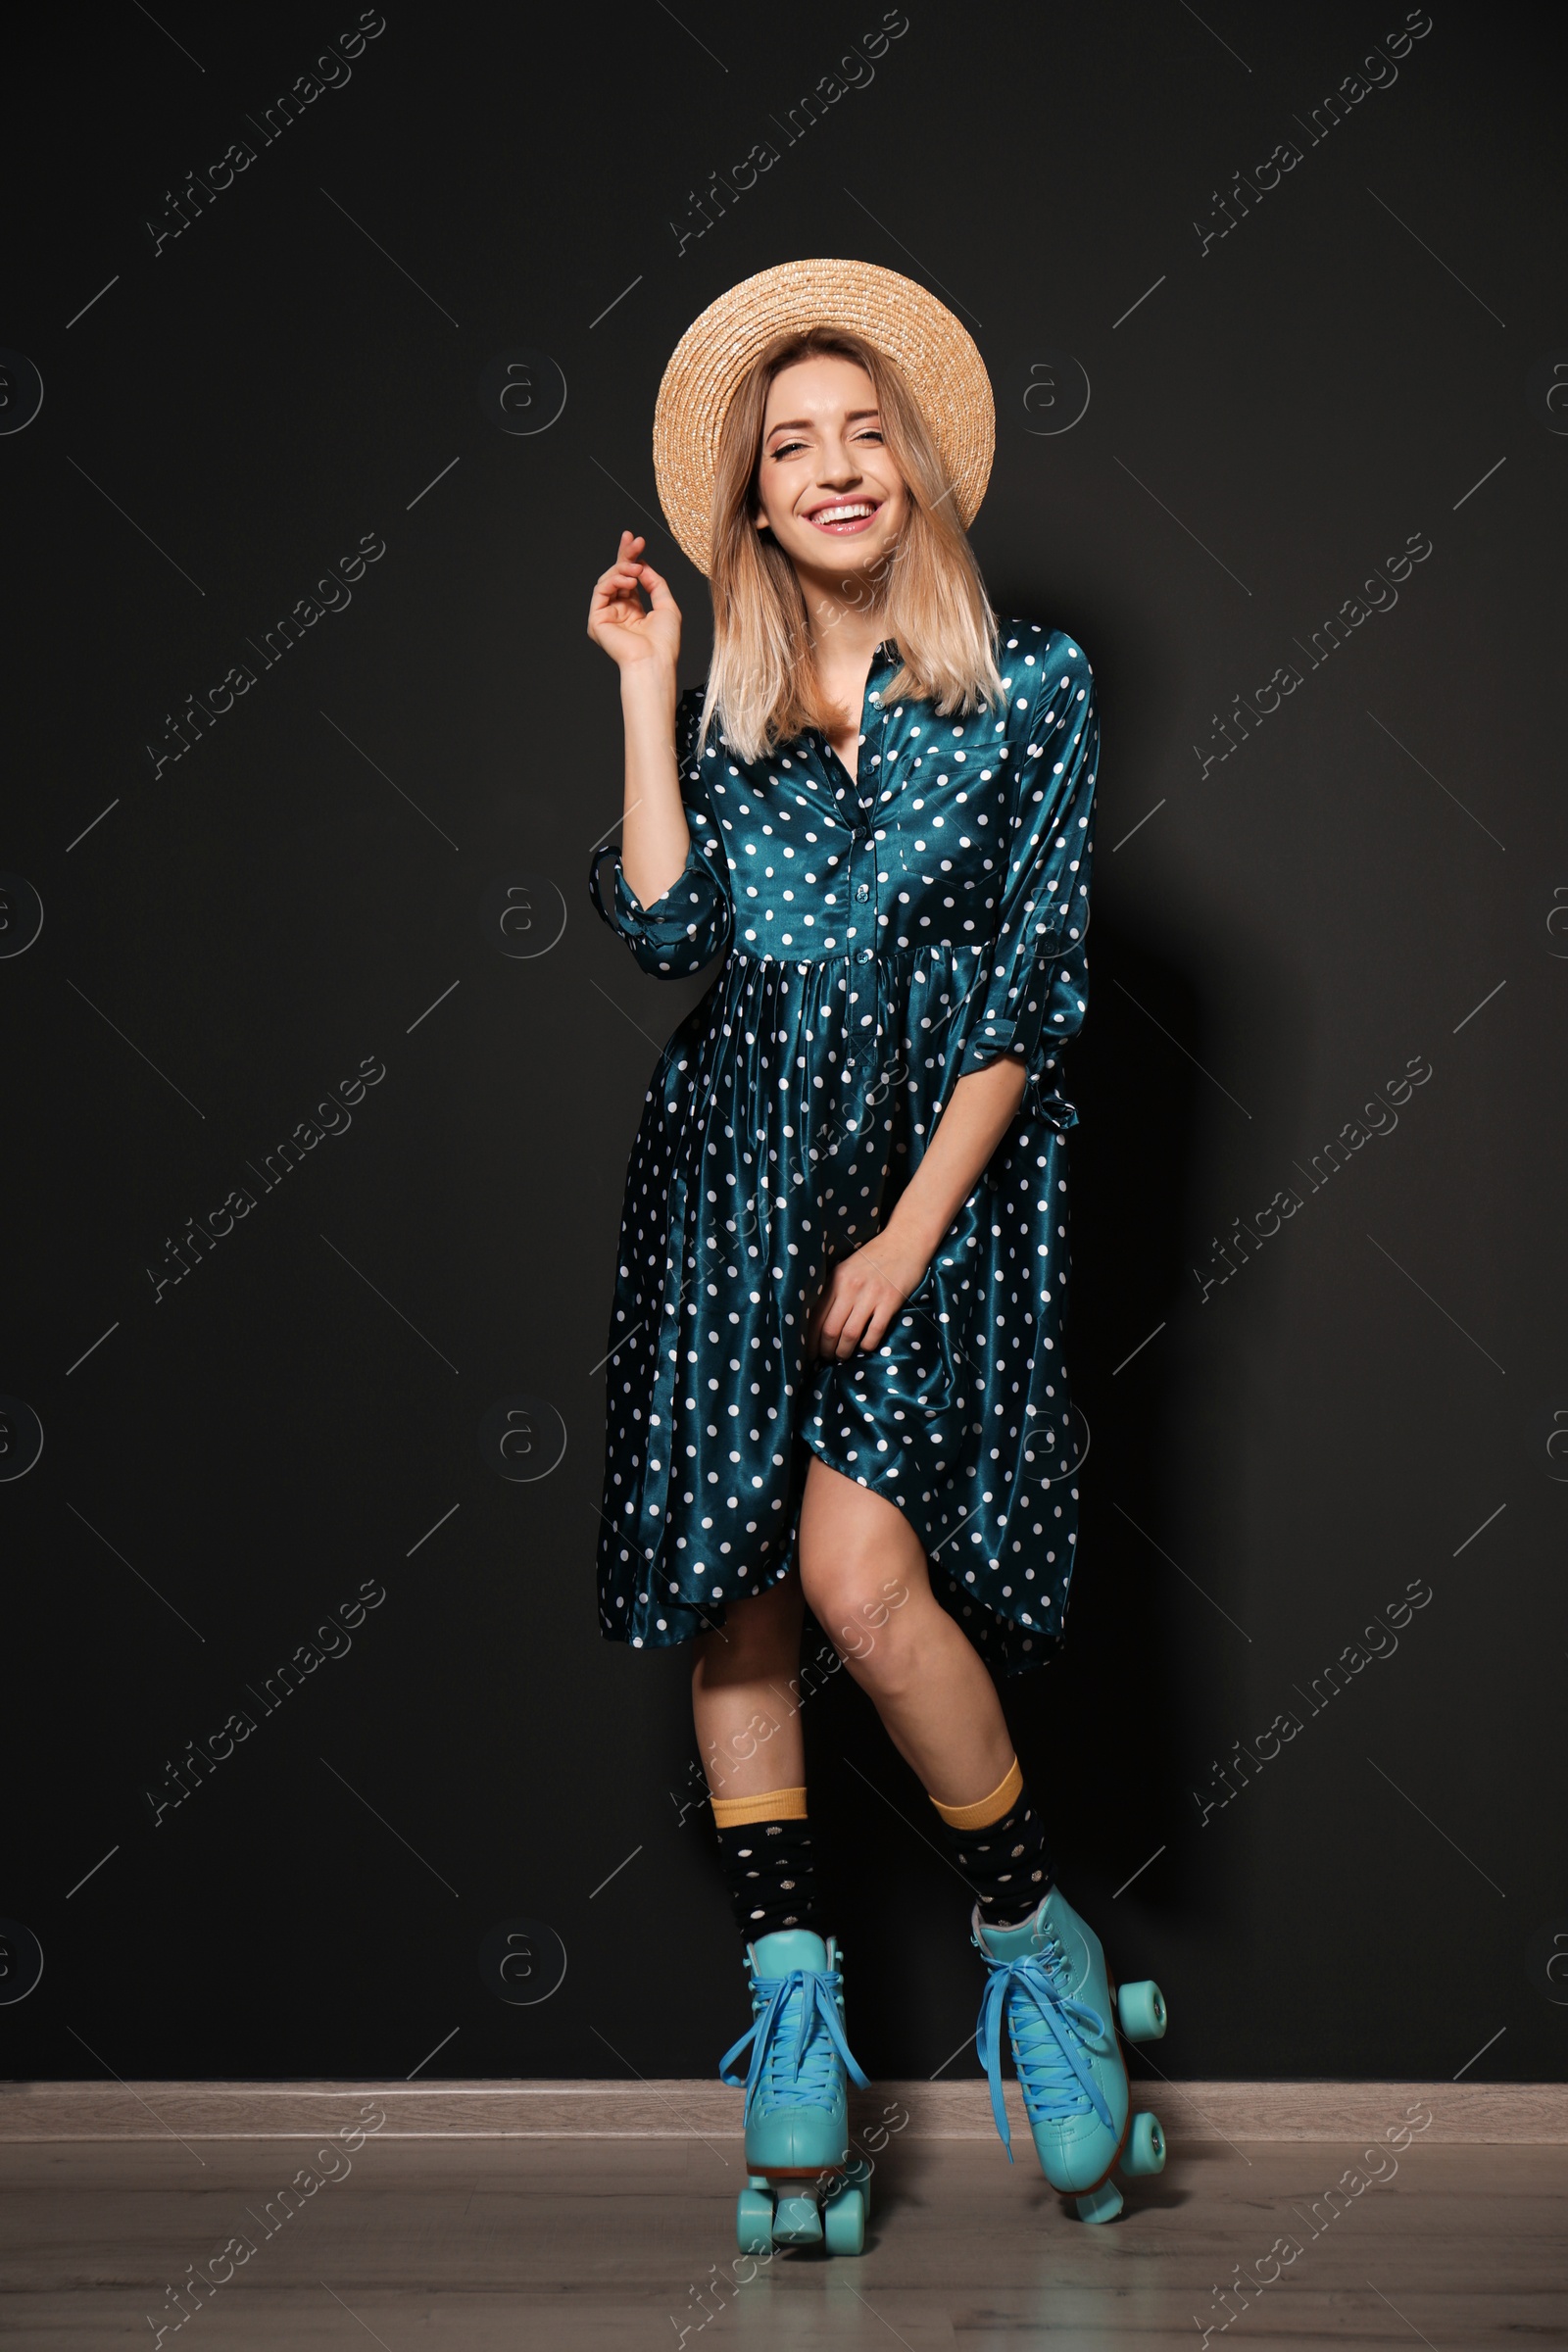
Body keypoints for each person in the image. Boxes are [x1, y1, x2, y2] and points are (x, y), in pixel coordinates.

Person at [586, 262, 1165, 2255]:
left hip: (940, 1201)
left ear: (911, 471)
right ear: (748, 501)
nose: (831, 468)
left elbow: (1030, 991)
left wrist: (911, 1236)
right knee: (736, 1594)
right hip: (729, 1186)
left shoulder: (1030, 688)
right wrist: (647, 692)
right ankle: (796, 2018)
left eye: (860, 435)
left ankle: (1032, 1936)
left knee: (855, 1573)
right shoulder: (733, 711)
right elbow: (665, 940)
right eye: (788, 446)